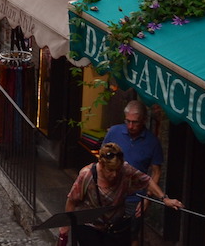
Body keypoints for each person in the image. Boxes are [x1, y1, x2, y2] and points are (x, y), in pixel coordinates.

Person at [61, 142, 182, 246]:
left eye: (117, 170)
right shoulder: (87, 175)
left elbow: (147, 180)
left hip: (115, 228)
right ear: (102, 165)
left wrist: (165, 199)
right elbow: (72, 200)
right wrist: (65, 226)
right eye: (110, 170)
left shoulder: (125, 170)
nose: (114, 174)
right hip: (90, 228)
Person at [102, 100, 164, 244]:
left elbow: (156, 172)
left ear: (144, 120)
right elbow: (102, 159)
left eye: (135, 122)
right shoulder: (114, 132)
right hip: (110, 194)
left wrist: (148, 199)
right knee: (106, 231)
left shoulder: (152, 142)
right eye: (128, 121)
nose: (131, 126)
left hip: (136, 198)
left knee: (131, 236)